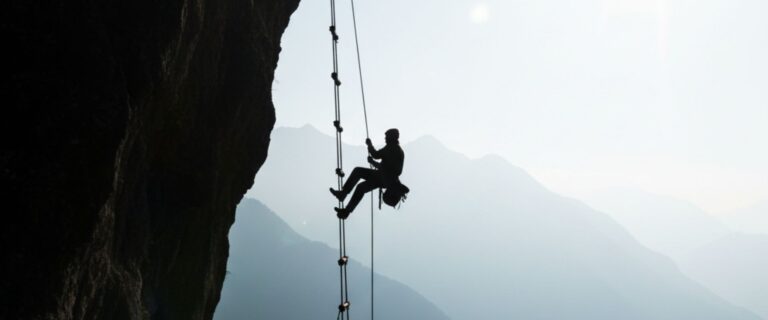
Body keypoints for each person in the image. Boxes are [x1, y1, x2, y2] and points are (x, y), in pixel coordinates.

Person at [330, 128, 404, 219]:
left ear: (391, 137)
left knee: (358, 172)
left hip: (382, 178)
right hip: (384, 180)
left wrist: (369, 145)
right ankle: (346, 211)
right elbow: (386, 165)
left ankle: (343, 194)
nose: (385, 139)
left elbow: (376, 155)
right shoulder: (396, 149)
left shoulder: (392, 148)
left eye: (386, 137)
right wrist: (372, 156)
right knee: (361, 188)